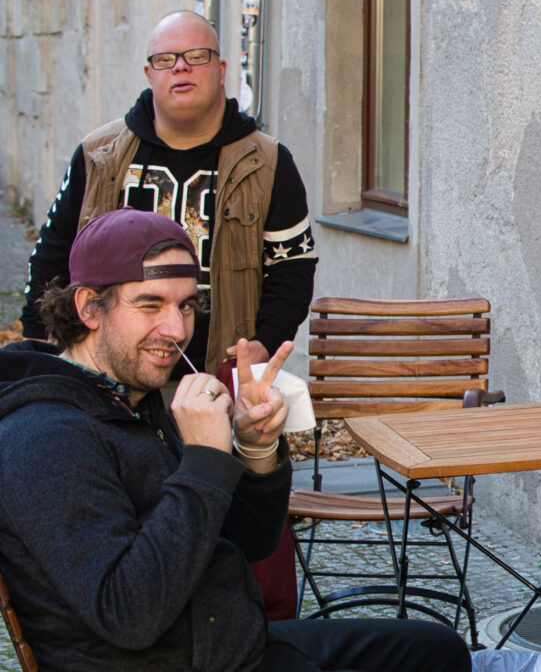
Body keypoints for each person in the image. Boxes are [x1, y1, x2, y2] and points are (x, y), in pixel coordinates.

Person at [0, 209, 470, 672]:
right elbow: (130, 616)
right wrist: (204, 459)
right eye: (150, 305)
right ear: (88, 307)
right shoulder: (46, 437)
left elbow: (249, 541)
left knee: (438, 649)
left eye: (185, 305)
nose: (177, 330)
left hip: (230, 646)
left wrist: (255, 449)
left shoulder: (127, 400)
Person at [20, 9, 316, 377]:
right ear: (149, 74)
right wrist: (43, 354)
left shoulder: (268, 163)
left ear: (221, 69)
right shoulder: (99, 155)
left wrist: (265, 342)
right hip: (109, 381)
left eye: (196, 56)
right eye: (165, 59)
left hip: (216, 382)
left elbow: (293, 268)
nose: (180, 68)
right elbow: (51, 257)